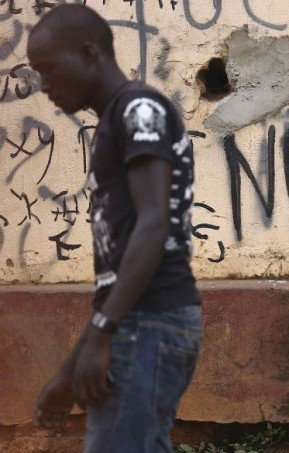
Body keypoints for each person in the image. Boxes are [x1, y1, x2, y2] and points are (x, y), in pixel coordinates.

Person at [27, 5, 202, 452]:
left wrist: (104, 333)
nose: (43, 85)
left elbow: (153, 225)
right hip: (137, 322)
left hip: (149, 322)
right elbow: (117, 272)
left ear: (88, 54)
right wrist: (70, 369)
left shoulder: (139, 108)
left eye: (48, 69)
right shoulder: (114, 121)